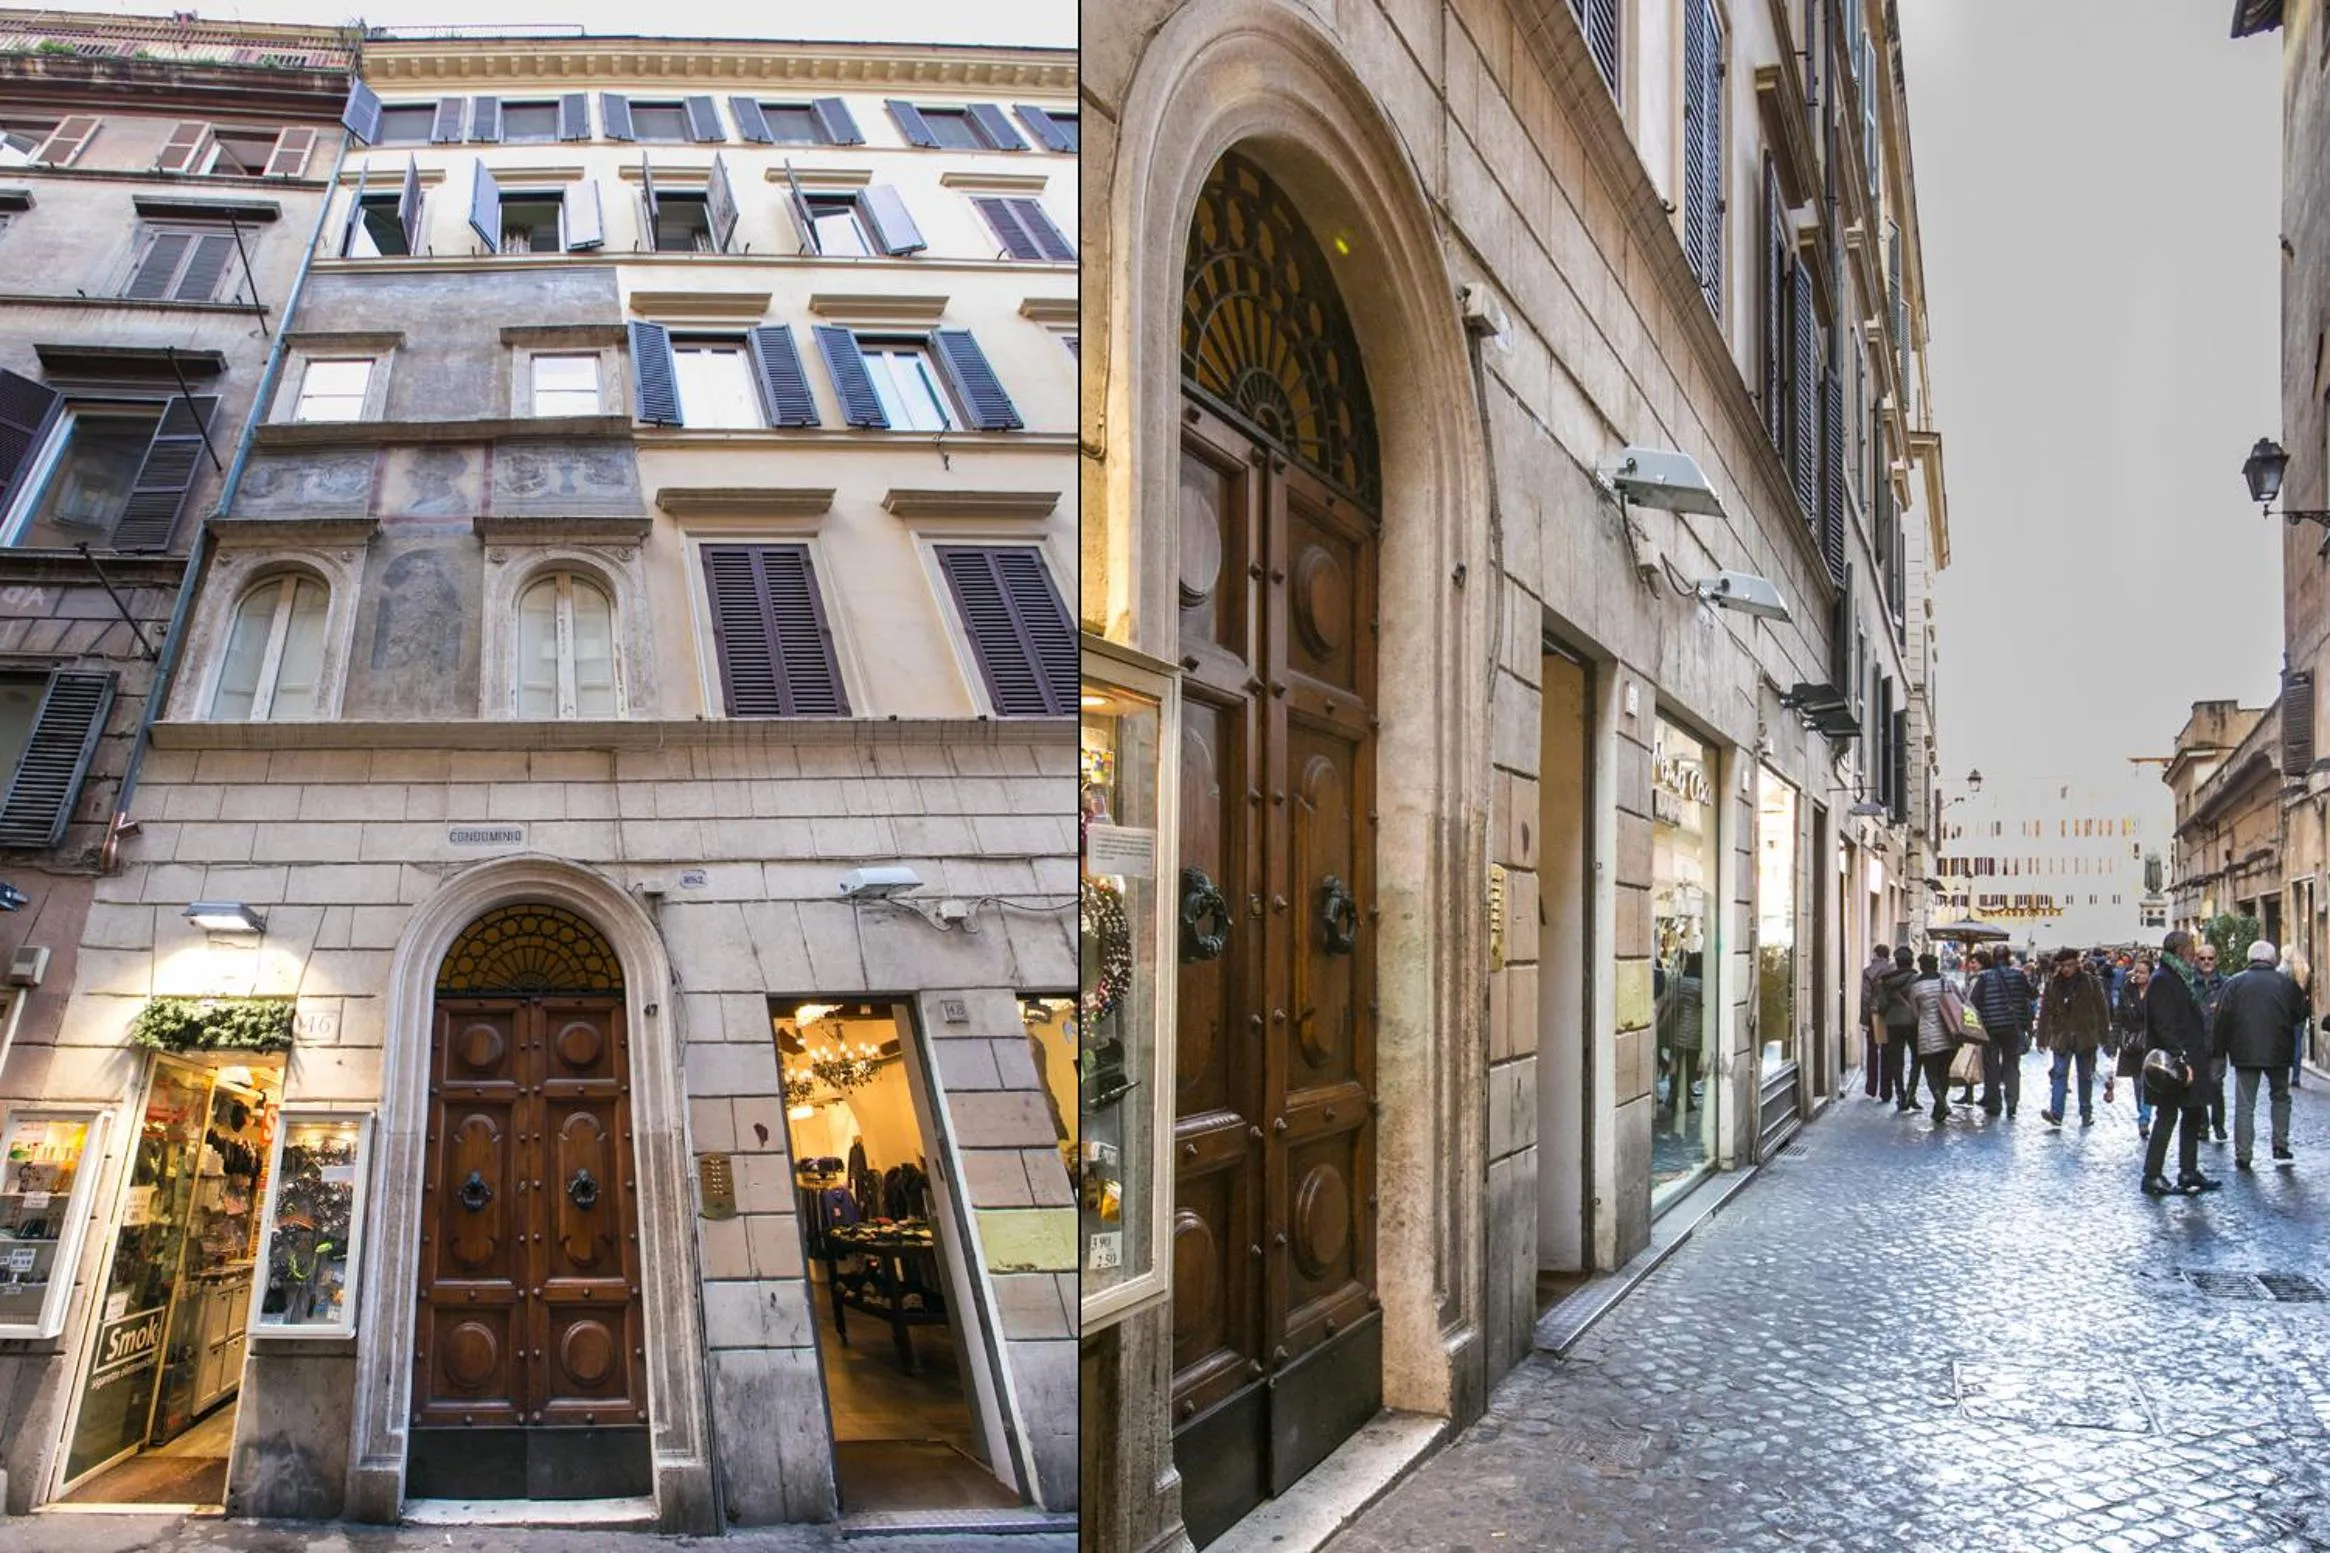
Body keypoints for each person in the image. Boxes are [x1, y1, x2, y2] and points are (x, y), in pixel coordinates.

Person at [2141, 929, 2221, 1197]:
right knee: (2167, 1115)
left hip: (2188, 1056)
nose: (2194, 952)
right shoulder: (2163, 979)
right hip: (2172, 1063)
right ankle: (2152, 1175)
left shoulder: (2179, 976)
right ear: (2180, 950)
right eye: (2191, 947)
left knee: (2193, 1112)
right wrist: (2181, 1058)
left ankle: (2188, 1171)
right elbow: (2164, 1024)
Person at [2215, 940, 2307, 1170]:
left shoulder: (2234, 983)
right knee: (2280, 1096)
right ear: (2272, 959)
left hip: (2245, 1050)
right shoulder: (2286, 984)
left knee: (2245, 1103)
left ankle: (2244, 1154)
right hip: (2278, 1050)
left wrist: (2219, 1050)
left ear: (2250, 959)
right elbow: (2300, 1014)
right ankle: (2280, 1144)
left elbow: (2222, 1019)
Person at [2034, 948, 2109, 1126]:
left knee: (2085, 1076)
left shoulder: (2091, 982)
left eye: (2069, 965)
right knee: (2059, 1074)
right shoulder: (2053, 984)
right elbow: (2045, 1012)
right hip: (2062, 1035)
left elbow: (2102, 1009)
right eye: (2063, 966)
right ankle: (2056, 1113)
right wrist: (2041, 1038)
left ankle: (2086, 1112)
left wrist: (2104, 1036)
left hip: (2085, 1035)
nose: (2066, 969)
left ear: (2077, 964)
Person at [1970, 946, 2035, 1117]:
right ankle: (2012, 1102)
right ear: (2008, 957)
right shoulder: (2019, 975)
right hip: (2014, 1026)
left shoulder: (1984, 976)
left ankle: (1994, 1104)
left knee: (1991, 1065)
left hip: (1990, 1026)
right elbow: (2033, 994)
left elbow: (1974, 1001)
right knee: (2012, 1064)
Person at [1906, 952, 1959, 1124]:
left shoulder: (1916, 987)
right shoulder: (1947, 982)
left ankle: (1941, 1104)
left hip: (1927, 1035)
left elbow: (1915, 1014)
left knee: (1931, 1073)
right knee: (1944, 1073)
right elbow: (1959, 1003)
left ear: (1922, 967)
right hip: (1950, 1033)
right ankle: (1939, 1109)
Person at [2111, 958, 2154, 1135]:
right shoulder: (2127, 991)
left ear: (2150, 974)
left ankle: (2144, 1118)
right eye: (2136, 971)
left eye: (2142, 972)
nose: (2138, 975)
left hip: (2151, 1041)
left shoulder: (2156, 992)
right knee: (2137, 1082)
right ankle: (2142, 1110)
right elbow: (2119, 1017)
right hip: (2132, 1042)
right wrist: (2113, 1042)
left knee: (2147, 1080)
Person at [2194, 941, 2231, 1143]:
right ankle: (2202, 1124)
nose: (2206, 962)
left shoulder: (2225, 984)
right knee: (2199, 1085)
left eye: (2210, 958)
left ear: (2216, 960)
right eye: (2202, 958)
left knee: (2216, 1084)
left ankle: (2219, 1124)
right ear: (2196, 960)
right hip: (2196, 1043)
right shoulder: (2190, 983)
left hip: (2218, 1043)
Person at [1881, 947, 1921, 1112]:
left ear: (1896, 963)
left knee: (1896, 1061)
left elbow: (1882, 1005)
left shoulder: (1887, 981)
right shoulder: (1916, 979)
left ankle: (1900, 1095)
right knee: (1917, 1059)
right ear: (1911, 962)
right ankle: (1911, 1093)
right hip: (1913, 1022)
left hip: (1893, 1022)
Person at [1860, 943, 1894, 1099]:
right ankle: (1886, 1091)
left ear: (1875, 954)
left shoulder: (1868, 971)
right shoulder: (1893, 970)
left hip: (1874, 1014)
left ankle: (1871, 1088)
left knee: (1872, 1051)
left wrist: (1864, 1020)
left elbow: (1865, 998)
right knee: (1888, 1052)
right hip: (1890, 1014)